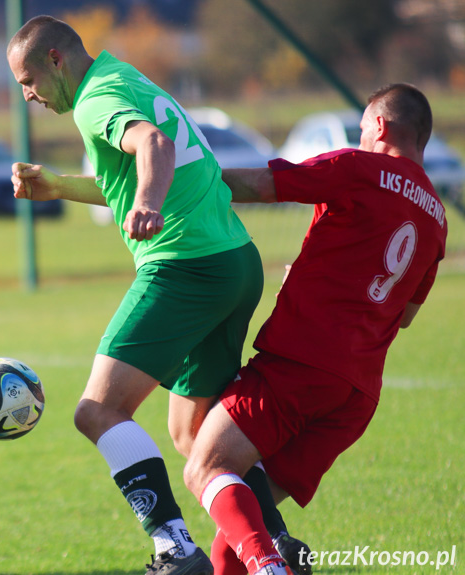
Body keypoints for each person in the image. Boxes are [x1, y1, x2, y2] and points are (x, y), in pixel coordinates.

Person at [7, 15, 266, 575]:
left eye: (28, 80)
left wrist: (148, 200)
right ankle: (276, 546)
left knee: (97, 411)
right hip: (234, 262)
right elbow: (128, 174)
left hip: (184, 266)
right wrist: (59, 187)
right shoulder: (123, 77)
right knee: (197, 432)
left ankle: (174, 548)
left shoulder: (95, 100)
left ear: (55, 60)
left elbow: (153, 144)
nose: (27, 95)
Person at [183, 83, 447, 575]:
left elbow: (262, 186)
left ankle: (270, 566)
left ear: (380, 125)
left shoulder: (357, 167)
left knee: (207, 468)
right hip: (356, 395)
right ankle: (265, 558)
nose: (362, 134)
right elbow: (404, 312)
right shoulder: (437, 215)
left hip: (302, 365)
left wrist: (182, 182)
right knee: (235, 538)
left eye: (364, 125)